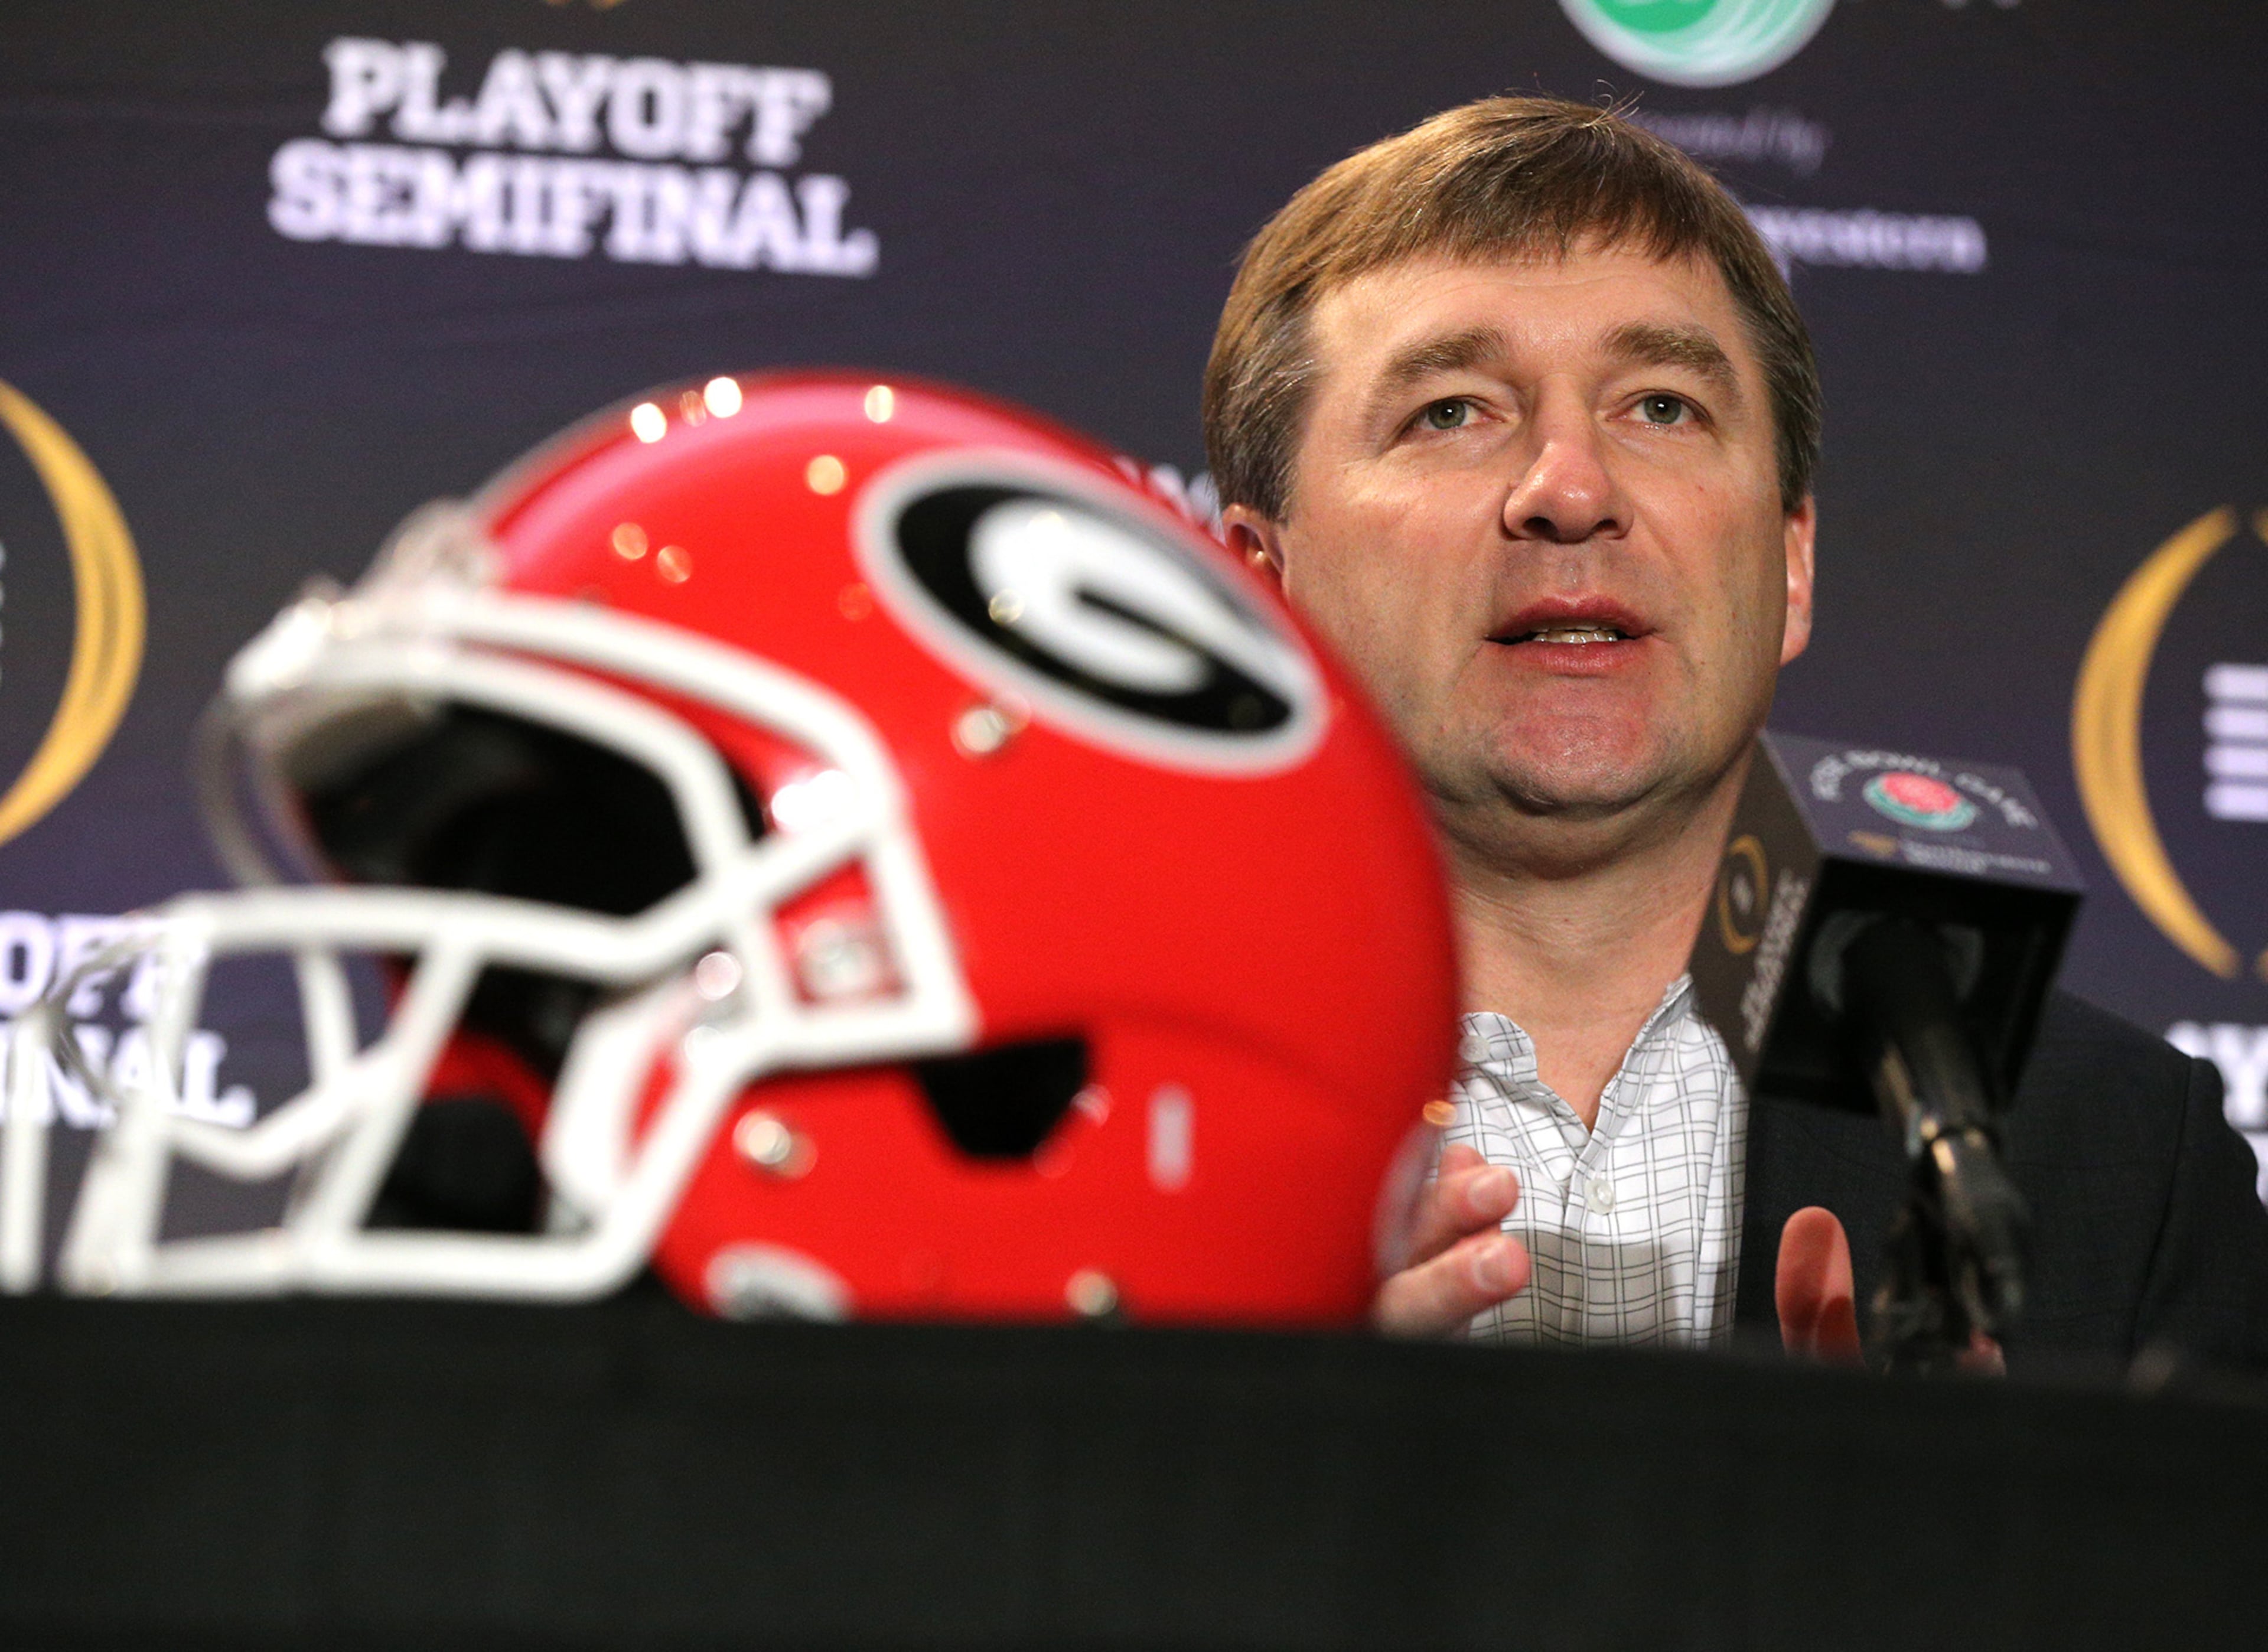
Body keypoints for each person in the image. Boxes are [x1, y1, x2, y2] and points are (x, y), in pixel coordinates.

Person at [1202, 96, 2268, 1370]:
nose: (1572, 491)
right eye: (1452, 410)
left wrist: (1978, 1551)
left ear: (1793, 565)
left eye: (1660, 406)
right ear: (1262, 588)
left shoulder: (2115, 1148)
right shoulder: (1081, 1116)